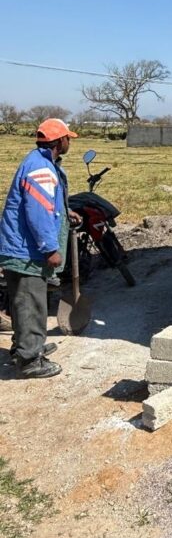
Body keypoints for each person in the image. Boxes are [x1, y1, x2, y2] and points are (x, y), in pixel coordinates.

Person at [0, 118, 80, 379]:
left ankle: (25, 346)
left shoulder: (40, 162)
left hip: (21, 248)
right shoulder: (41, 169)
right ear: (59, 142)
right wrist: (50, 249)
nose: (70, 142)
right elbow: (37, 213)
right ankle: (30, 359)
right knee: (31, 303)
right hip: (27, 251)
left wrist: (67, 213)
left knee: (25, 302)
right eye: (68, 138)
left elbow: (45, 204)